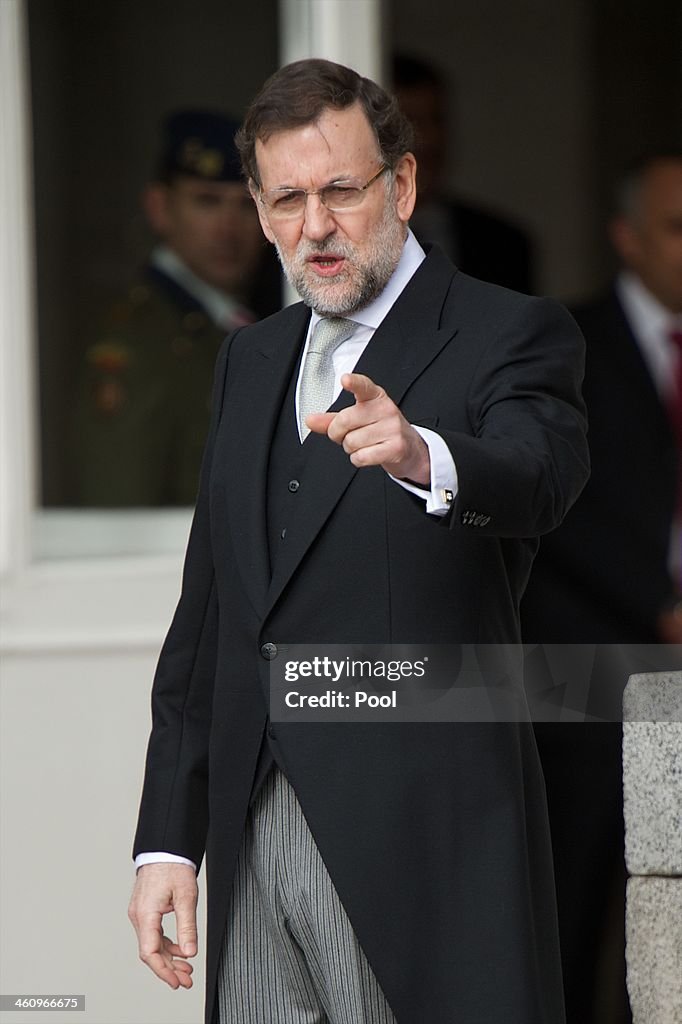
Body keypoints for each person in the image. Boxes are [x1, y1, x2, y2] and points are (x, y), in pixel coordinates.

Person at [128, 59, 589, 1024]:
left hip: (426, 845)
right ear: (260, 210)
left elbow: (542, 476)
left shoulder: (508, 330)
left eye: (341, 189)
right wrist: (167, 843)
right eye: (288, 198)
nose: (317, 226)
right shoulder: (248, 360)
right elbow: (209, 619)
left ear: (404, 185)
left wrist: (426, 455)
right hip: (252, 836)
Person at [521, 152, 682, 1024]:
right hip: (588, 679)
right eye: (678, 227)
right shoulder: (562, 343)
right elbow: (548, 502)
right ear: (627, 238)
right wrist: (656, 606)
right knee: (574, 916)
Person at [73, 110, 281, 506]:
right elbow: (121, 514)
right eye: (206, 201)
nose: (228, 227)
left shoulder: (242, 322)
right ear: (159, 207)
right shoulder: (141, 341)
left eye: (245, 204)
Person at [392, 53, 535, 293]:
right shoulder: (352, 237)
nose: (428, 140)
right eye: (411, 123)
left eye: (436, 120)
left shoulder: (504, 244)